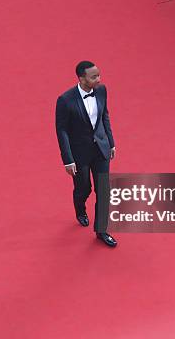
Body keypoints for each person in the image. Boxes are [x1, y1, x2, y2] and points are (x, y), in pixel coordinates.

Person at [55, 61, 117, 247]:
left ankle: (102, 230)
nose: (99, 79)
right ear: (82, 79)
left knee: (104, 191)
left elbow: (104, 115)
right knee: (84, 189)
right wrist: (68, 159)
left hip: (101, 150)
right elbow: (62, 130)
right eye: (94, 77)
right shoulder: (65, 100)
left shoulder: (101, 90)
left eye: (98, 75)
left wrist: (111, 143)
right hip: (79, 154)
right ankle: (80, 209)